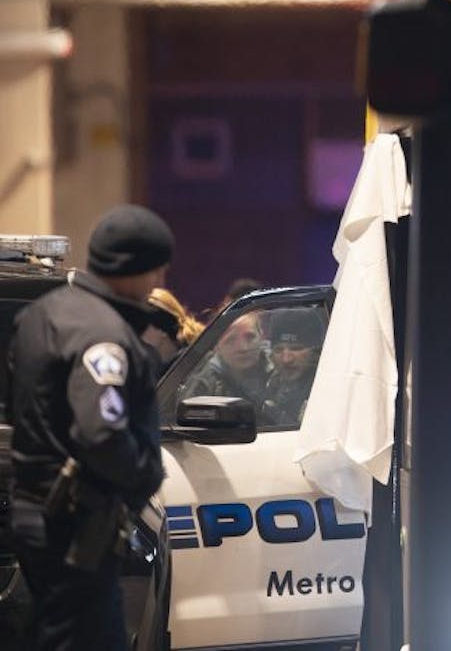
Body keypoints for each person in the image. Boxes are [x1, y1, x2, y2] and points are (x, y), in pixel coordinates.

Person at [7, 204, 172, 651]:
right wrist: (145, 473)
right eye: (156, 269)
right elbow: (100, 432)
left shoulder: (44, 314)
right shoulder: (104, 335)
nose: (159, 283)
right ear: (133, 269)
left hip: (34, 513)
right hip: (77, 525)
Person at [183, 311, 270, 404]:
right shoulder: (203, 384)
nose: (243, 348)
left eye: (250, 337)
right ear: (216, 346)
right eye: (230, 340)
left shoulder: (279, 372)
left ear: (262, 336)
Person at [261, 308, 324, 426]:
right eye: (278, 350)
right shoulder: (269, 382)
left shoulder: (324, 389)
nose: (286, 359)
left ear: (315, 352)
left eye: (296, 348)